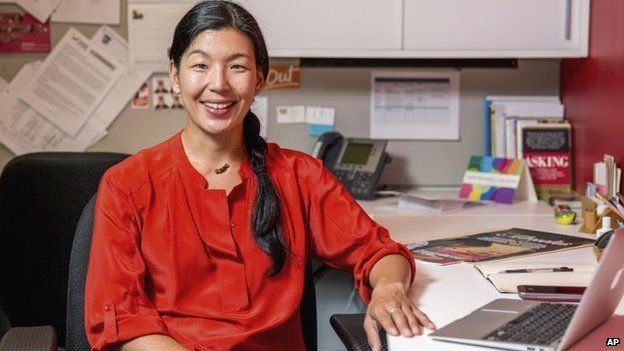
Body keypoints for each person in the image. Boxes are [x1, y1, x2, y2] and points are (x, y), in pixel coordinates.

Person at [84, 1, 434, 351]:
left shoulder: (299, 176)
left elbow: (377, 250)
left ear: (260, 79)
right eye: (200, 65)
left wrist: (388, 288)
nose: (218, 84)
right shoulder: (127, 184)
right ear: (175, 75)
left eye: (237, 67)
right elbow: (122, 319)